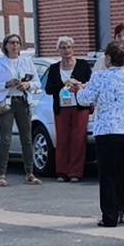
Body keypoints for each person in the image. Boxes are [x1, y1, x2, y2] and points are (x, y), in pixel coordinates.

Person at [78, 42, 124, 227]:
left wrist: (79, 90)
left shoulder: (99, 77)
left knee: (109, 174)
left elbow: (86, 99)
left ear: (108, 58)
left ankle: (110, 216)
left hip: (108, 129)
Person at [0, 34, 41, 187]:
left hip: (22, 101)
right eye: (11, 43)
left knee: (27, 138)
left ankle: (29, 173)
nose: (15, 46)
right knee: (6, 139)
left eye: (17, 43)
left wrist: (28, 85)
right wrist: (6, 84)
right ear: (5, 46)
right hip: (6, 103)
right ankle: (2, 174)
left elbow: (37, 82)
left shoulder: (26, 61)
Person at [43, 36, 93, 182]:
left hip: (79, 107)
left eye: (69, 47)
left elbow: (91, 84)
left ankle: (75, 173)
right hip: (62, 108)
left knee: (78, 140)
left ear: (73, 48)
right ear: (59, 50)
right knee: (62, 139)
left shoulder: (82, 65)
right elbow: (48, 89)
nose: (66, 50)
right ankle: (61, 172)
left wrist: (80, 86)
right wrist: (64, 83)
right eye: (63, 47)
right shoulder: (53, 68)